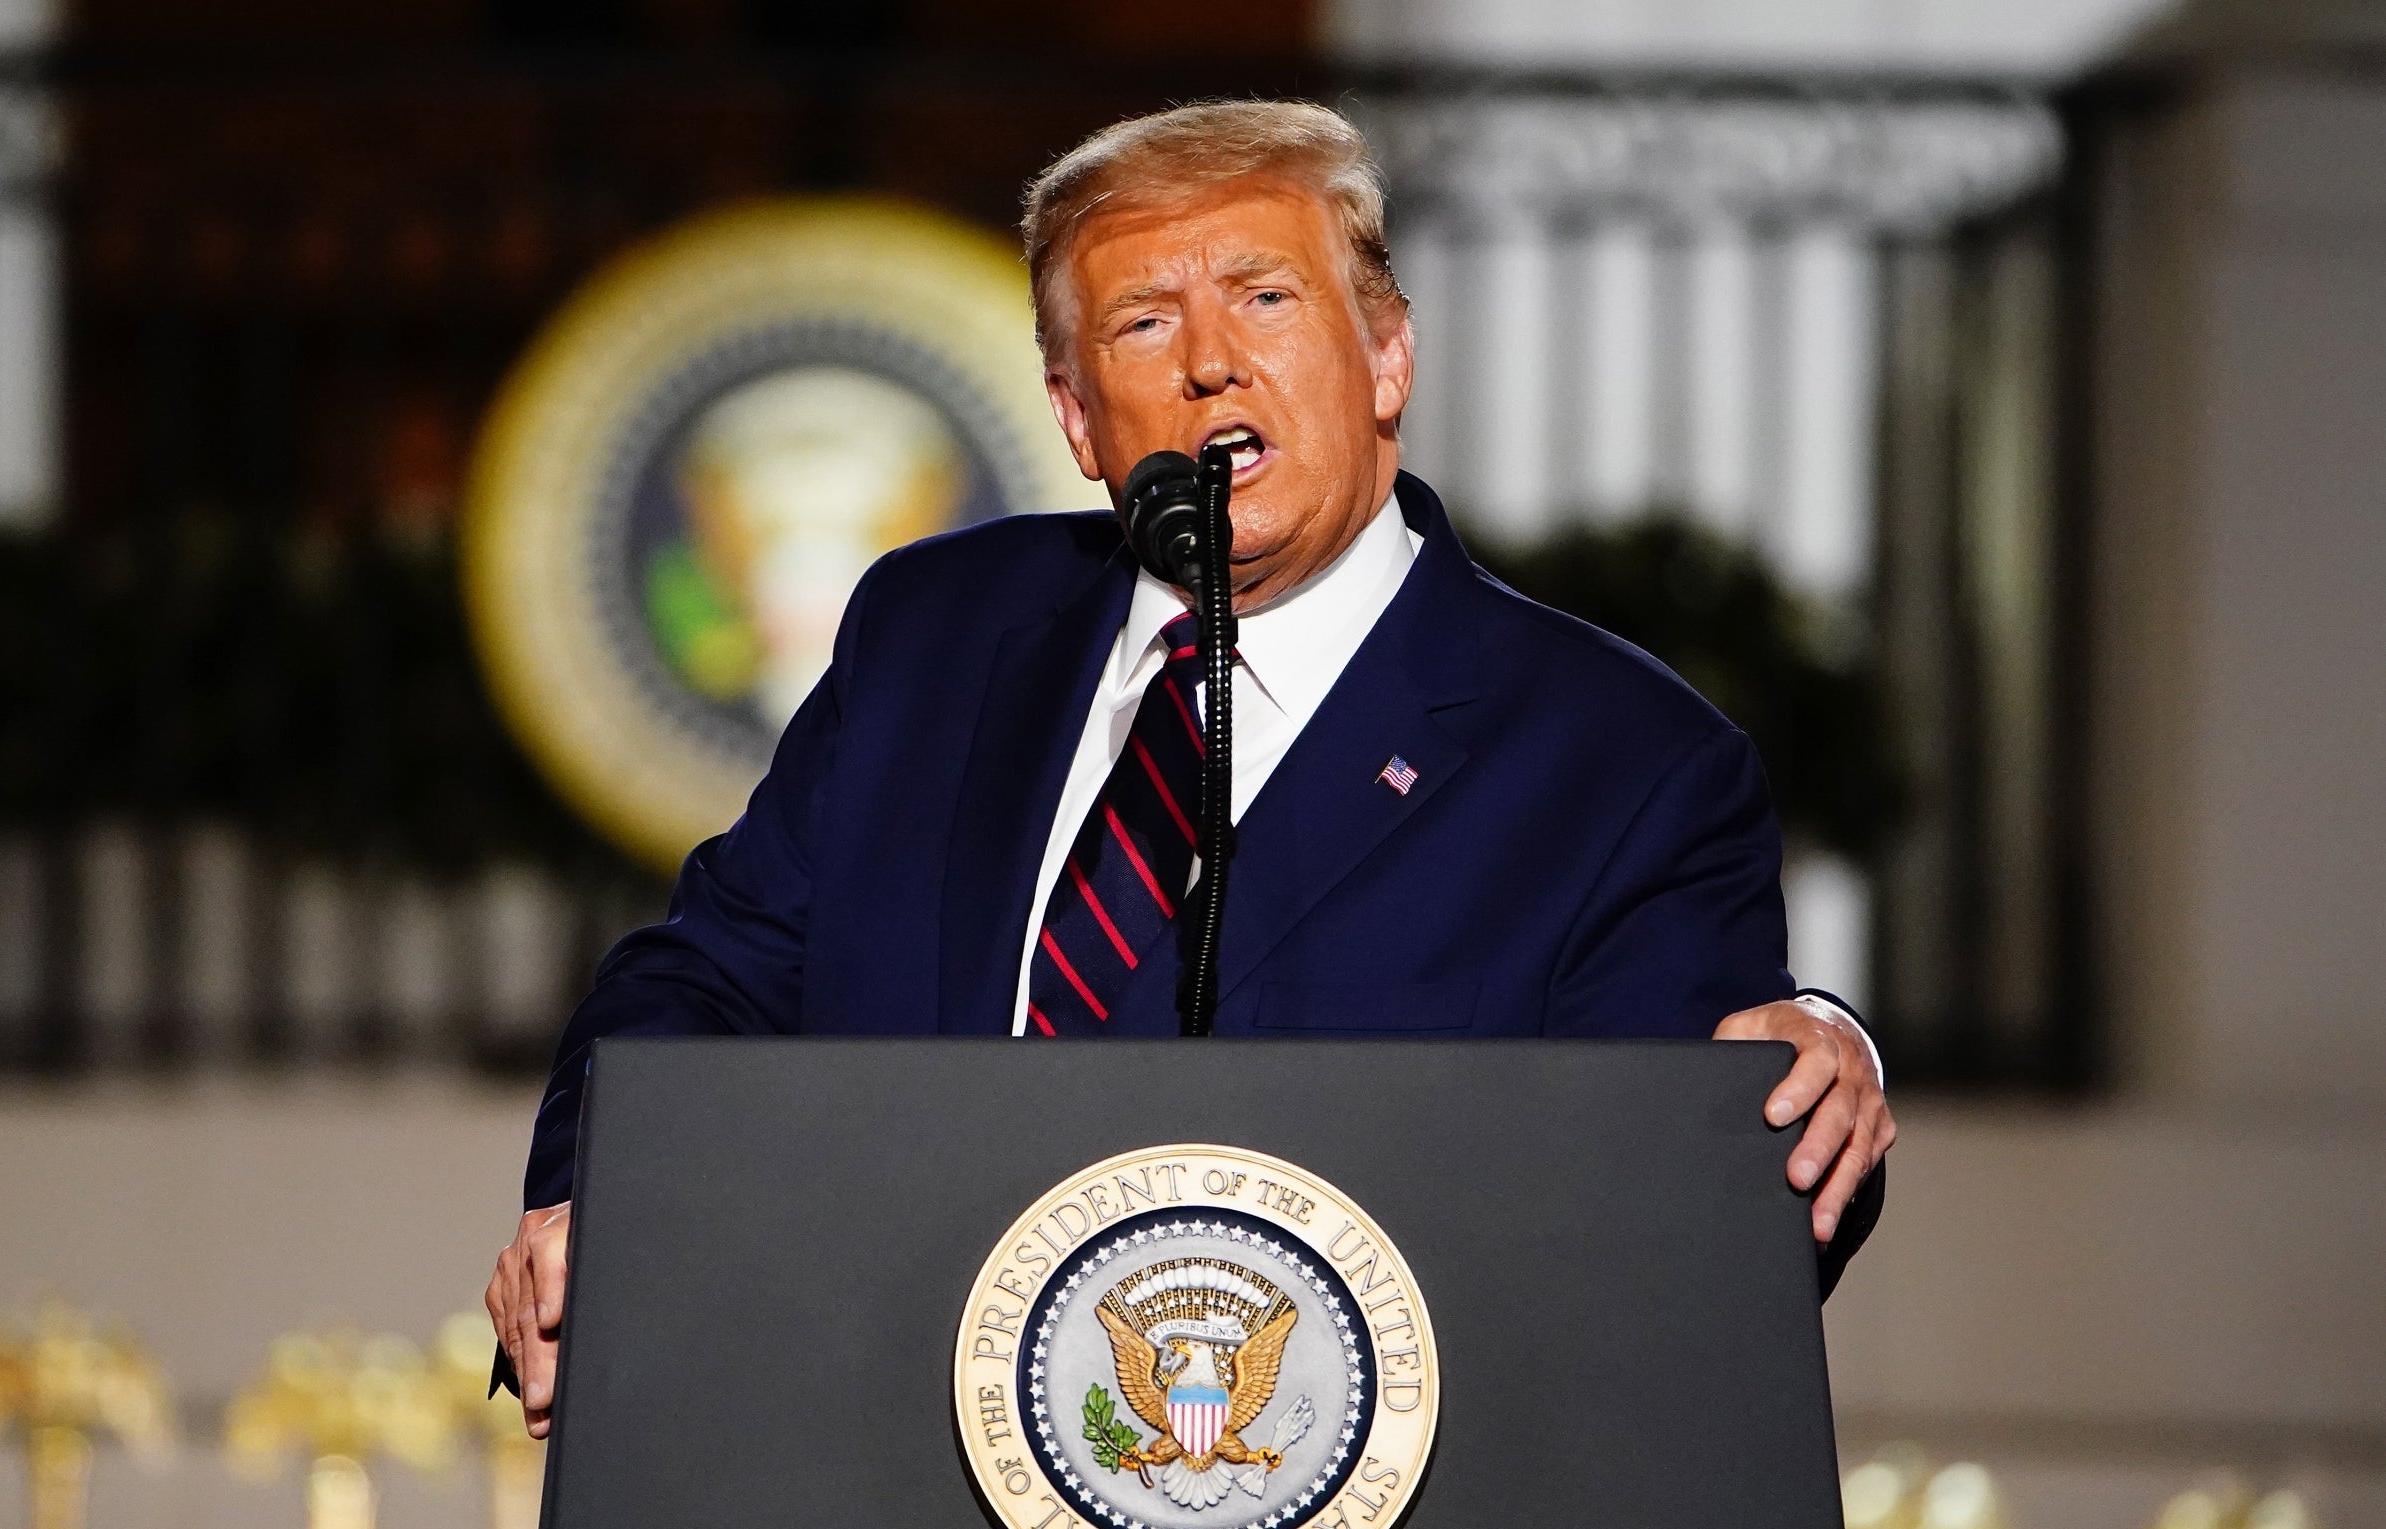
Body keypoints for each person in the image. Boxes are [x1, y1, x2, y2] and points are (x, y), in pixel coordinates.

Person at [487, 99, 1896, 1439]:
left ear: (1389, 354)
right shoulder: (938, 640)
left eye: (1265, 297)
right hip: (888, 1505)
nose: (1210, 359)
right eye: (1145, 322)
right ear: (1080, 417)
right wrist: (610, 1206)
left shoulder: (1618, 764)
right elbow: (704, 981)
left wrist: (1813, 1065)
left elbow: (1670, 1239)